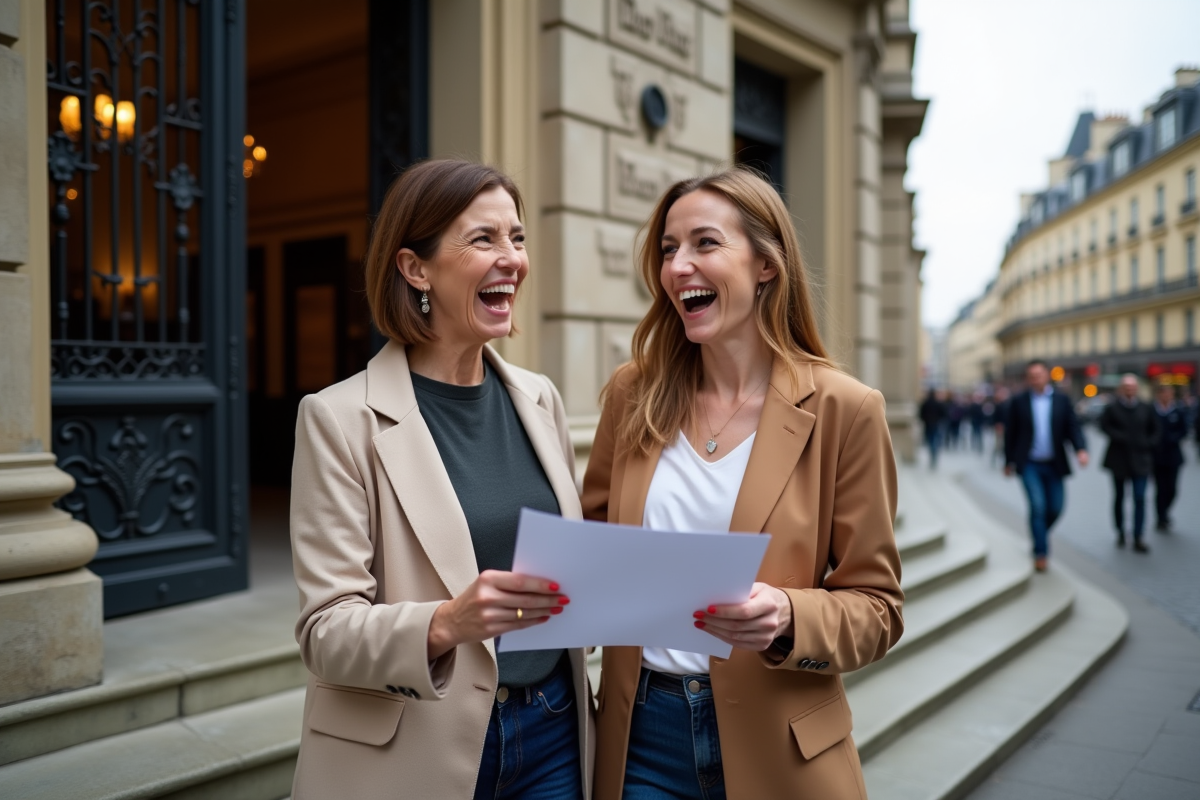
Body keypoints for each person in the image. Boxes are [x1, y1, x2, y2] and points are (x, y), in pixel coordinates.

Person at [581, 168, 904, 799]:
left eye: (705, 243)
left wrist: (788, 615)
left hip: (782, 749)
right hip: (642, 738)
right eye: (669, 250)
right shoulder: (632, 391)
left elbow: (879, 609)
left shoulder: (845, 408)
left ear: (765, 264)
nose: (679, 267)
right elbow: (593, 550)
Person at [288, 160, 593, 799]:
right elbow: (326, 632)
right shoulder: (338, 418)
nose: (511, 257)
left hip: (554, 732)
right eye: (483, 239)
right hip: (419, 745)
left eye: (517, 237)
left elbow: (565, 569)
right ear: (415, 268)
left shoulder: (539, 399)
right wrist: (446, 623)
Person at [1004, 360, 1089, 571]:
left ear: (1047, 375)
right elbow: (1010, 433)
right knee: (1038, 507)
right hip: (1029, 464)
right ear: (1028, 379)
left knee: (1056, 508)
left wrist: (1080, 449)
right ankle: (1041, 552)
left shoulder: (1061, 400)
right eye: (1031, 376)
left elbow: (1073, 427)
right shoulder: (1019, 401)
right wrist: (1008, 461)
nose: (1036, 379)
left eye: (1039, 375)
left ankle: (1038, 533)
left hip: (1054, 464)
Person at [1100, 374, 1161, 552]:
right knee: (1119, 497)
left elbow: (1156, 429)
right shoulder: (1112, 407)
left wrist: (1149, 443)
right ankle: (1120, 531)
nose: (1129, 390)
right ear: (1121, 389)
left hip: (1141, 460)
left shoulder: (1145, 407)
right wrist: (1120, 437)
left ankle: (1138, 535)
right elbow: (1104, 426)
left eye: (1132, 387)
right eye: (1126, 387)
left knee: (1140, 498)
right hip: (1119, 459)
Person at [1151, 382, 1187, 532]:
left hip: (1173, 456)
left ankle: (1165, 511)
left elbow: (1184, 430)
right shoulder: (1152, 411)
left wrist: (1174, 438)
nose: (1166, 396)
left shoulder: (1177, 411)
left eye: (1169, 393)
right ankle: (1161, 517)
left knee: (1172, 489)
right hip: (1156, 456)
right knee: (1160, 488)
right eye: (1163, 393)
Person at [920, 388, 947, 469]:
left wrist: (925, 420)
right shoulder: (938, 403)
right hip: (936, 424)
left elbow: (921, 414)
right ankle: (934, 454)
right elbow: (943, 413)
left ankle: (932, 454)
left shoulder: (925, 403)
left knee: (930, 440)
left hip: (928, 424)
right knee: (935, 440)